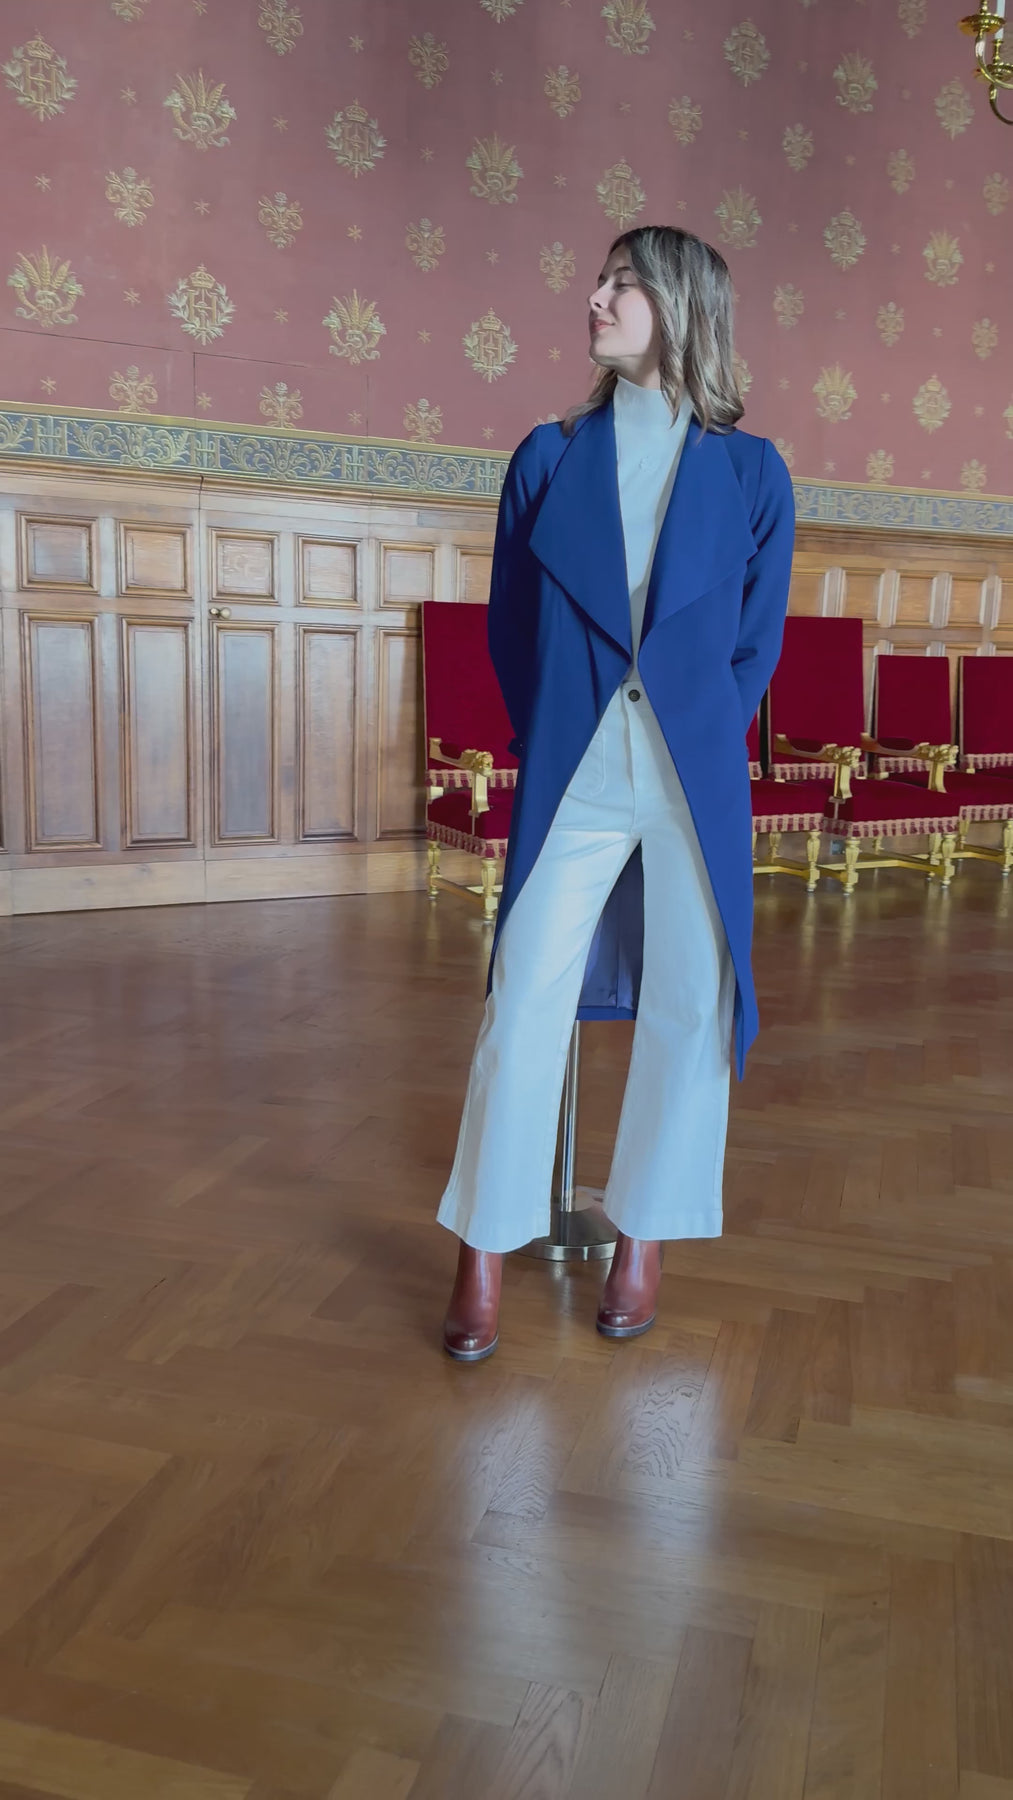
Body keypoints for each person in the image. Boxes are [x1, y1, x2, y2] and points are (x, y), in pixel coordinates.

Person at [437, 225, 796, 1362]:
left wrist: (698, 732)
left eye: (623, 284)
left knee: (691, 1004)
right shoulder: (548, 457)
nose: (594, 296)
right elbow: (510, 628)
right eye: (599, 280)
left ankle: (643, 1236)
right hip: (576, 768)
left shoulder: (753, 472)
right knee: (521, 999)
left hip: (692, 774)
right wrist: (558, 724)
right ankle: (481, 1246)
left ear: (681, 307)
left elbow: (754, 644)